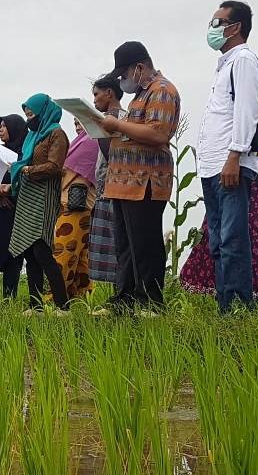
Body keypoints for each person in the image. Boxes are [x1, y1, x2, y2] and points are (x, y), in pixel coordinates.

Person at [96, 42, 181, 315]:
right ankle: (125, 298)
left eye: (125, 74)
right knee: (125, 247)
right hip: (122, 182)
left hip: (145, 182)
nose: (123, 81)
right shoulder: (139, 96)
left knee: (145, 244)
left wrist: (117, 124)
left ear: (140, 67)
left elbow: (158, 134)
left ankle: (150, 302)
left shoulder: (162, 91)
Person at [196, 0, 258, 313]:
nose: (212, 29)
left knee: (232, 240)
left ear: (234, 27)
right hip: (213, 167)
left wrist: (234, 156)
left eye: (217, 22)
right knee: (218, 243)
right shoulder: (225, 65)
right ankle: (226, 307)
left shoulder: (244, 61)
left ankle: (239, 308)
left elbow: (247, 112)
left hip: (230, 164)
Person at [181, 117, 258, 301]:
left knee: (244, 226)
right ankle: (207, 286)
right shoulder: (225, 114)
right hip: (227, 166)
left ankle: (250, 292)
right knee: (215, 226)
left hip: (253, 163)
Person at [0, 94, 69, 315]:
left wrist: (25, 170)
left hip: (44, 195)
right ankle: (35, 305)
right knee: (29, 251)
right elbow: (22, 161)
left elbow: (54, 166)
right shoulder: (32, 136)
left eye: (32, 114)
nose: (29, 119)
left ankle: (63, 305)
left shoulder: (56, 133)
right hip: (26, 195)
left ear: (43, 112)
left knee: (41, 249)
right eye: (26, 115)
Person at [51, 118, 99, 299]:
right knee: (79, 256)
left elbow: (68, 170)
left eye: (81, 122)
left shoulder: (89, 142)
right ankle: (81, 296)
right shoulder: (81, 141)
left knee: (63, 251)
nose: (78, 127)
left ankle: (54, 297)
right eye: (75, 123)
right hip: (77, 205)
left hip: (76, 205)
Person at [88, 75, 126, 288]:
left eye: (96, 94)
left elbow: (112, 153)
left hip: (116, 187)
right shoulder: (108, 119)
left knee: (118, 245)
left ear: (109, 93)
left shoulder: (122, 119)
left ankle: (122, 293)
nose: (94, 100)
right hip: (105, 187)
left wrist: (99, 129)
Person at [0, 114, 26, 297]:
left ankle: (9, 298)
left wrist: (7, 192)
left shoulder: (24, 154)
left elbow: (24, 180)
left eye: (5, 126)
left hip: (12, 212)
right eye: (0, 126)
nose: (1, 130)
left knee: (12, 256)